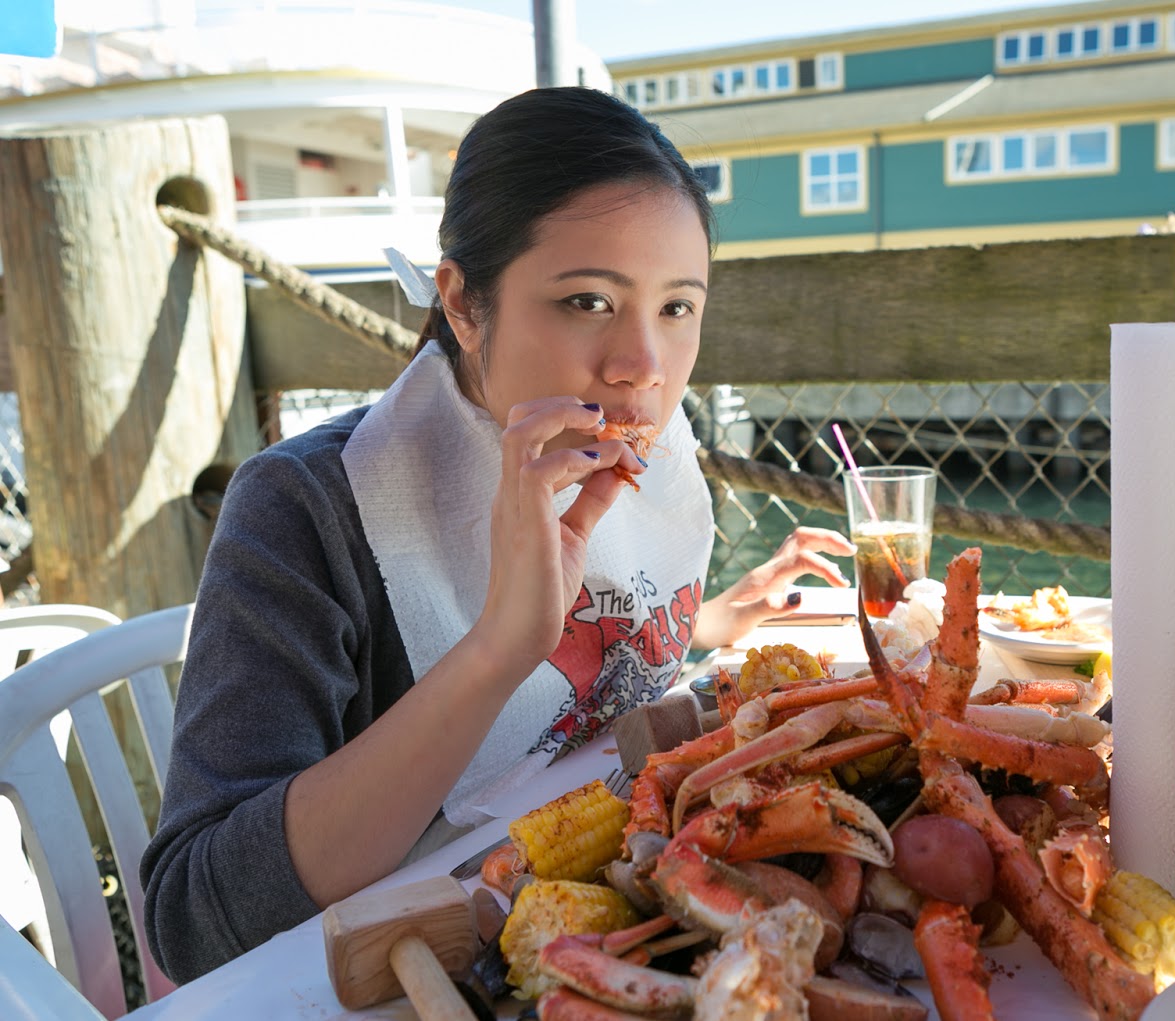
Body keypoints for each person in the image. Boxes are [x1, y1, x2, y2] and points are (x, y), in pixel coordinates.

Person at [140, 86, 853, 983]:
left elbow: (588, 675)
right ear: (464, 305)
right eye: (589, 300)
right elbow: (192, 922)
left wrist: (703, 622)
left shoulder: (645, 448)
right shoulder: (305, 507)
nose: (644, 365)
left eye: (677, 307)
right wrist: (496, 652)